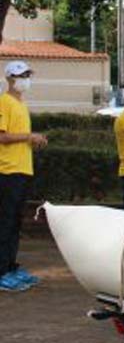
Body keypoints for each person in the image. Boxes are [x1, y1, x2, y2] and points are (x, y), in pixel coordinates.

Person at [0, 61, 47, 292]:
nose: (25, 79)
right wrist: (29, 136)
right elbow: (2, 136)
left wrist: (32, 140)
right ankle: (2, 271)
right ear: (10, 78)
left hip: (22, 168)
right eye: (21, 75)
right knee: (6, 222)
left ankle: (10, 266)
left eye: (28, 75)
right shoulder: (4, 102)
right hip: (7, 170)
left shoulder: (21, 103)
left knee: (15, 222)